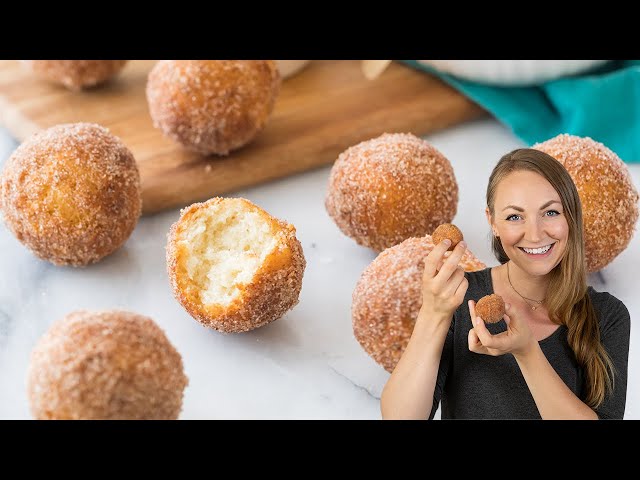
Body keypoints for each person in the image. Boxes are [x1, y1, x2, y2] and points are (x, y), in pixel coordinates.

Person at [380, 148, 631, 419]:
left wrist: (527, 352)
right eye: (514, 216)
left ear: (571, 215)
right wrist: (434, 313)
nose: (535, 235)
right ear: (493, 222)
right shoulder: (460, 296)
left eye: (551, 212)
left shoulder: (607, 316)